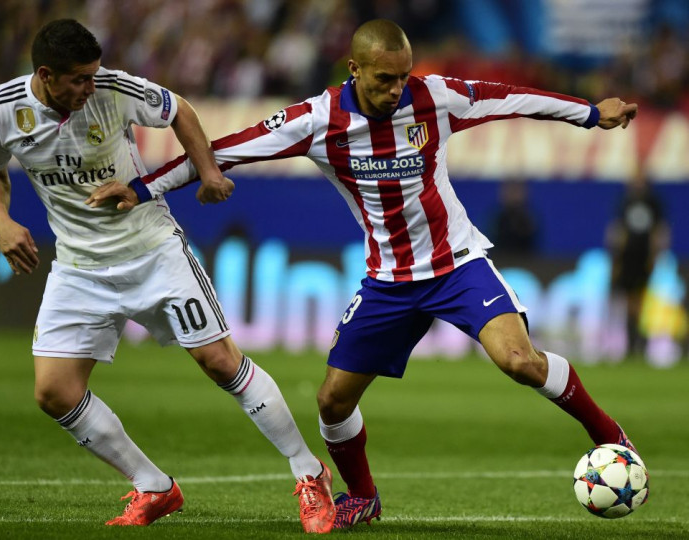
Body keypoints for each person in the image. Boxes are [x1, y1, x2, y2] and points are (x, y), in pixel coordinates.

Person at [88, 19, 644, 531]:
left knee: (519, 360)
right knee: (332, 402)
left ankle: (610, 437)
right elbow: (227, 149)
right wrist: (141, 189)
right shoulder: (318, 119)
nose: (397, 89)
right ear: (354, 70)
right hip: (389, 282)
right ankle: (363, 495)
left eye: (403, 76)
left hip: (457, 264)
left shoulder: (434, 98)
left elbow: (513, 99)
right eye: (384, 79)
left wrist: (591, 113)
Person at [0, 19, 335, 533]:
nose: (89, 88)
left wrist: (208, 170)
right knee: (54, 392)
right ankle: (154, 486)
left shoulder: (115, 90)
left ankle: (309, 472)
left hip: (152, 251)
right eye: (78, 80)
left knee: (219, 361)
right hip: (79, 266)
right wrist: (0, 221)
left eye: (93, 76)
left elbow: (179, 109)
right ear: (46, 75)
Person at [606, 167, 669, 359]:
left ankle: (641, 341)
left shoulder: (653, 202)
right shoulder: (626, 201)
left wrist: (656, 255)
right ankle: (631, 343)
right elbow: (618, 229)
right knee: (628, 301)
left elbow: (659, 230)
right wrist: (615, 255)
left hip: (644, 257)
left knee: (640, 300)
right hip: (627, 257)